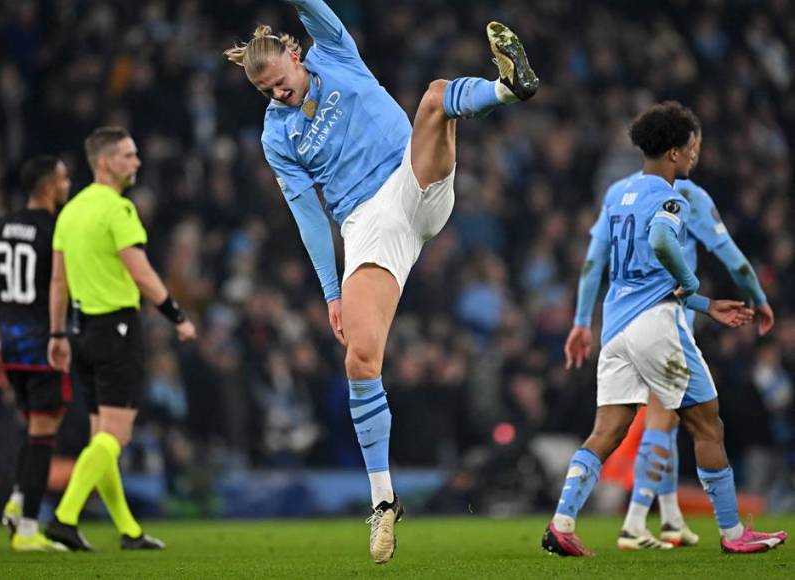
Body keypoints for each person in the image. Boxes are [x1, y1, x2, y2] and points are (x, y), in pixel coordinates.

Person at [224, 0, 537, 563]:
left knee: (437, 96)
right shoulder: (278, 136)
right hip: (367, 225)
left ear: (296, 55)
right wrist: (331, 291)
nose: (278, 95)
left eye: (280, 82)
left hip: (411, 177)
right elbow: (307, 216)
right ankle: (384, 502)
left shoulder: (334, 51)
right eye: (266, 92)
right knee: (360, 360)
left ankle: (511, 88)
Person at [542, 102, 786, 556]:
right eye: (692, 148)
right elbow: (662, 242)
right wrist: (695, 285)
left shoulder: (617, 196)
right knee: (708, 426)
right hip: (659, 326)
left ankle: (561, 523)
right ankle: (734, 534)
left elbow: (600, 263)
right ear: (674, 153)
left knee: (607, 431)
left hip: (615, 325)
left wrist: (582, 322)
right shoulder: (679, 197)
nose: (694, 156)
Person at [44, 126, 197, 552]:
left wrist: (57, 333)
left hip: (80, 332)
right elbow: (141, 271)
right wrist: (177, 316)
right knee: (117, 436)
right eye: (129, 155)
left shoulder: (69, 212)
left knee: (102, 437)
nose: (137, 162)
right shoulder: (118, 210)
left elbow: (58, 282)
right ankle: (64, 517)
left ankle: (128, 531)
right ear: (106, 162)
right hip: (117, 331)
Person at [0, 155, 71, 552]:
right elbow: (59, 286)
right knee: (43, 433)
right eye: (64, 179)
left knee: (35, 425)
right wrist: (59, 334)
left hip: (10, 342)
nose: (67, 185)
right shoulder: (55, 229)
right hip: (43, 340)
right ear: (49, 185)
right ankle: (29, 528)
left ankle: (18, 501)